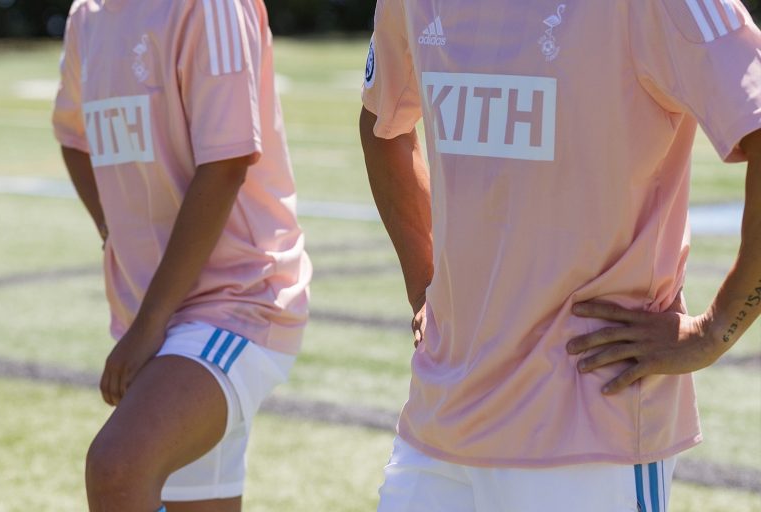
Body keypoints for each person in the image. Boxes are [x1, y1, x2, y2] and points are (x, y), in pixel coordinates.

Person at [360, 0, 761, 510]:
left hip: (592, 431)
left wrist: (716, 330)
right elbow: (382, 125)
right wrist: (425, 285)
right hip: (439, 420)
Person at [52, 0, 310, 510]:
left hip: (238, 301)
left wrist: (150, 323)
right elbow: (73, 135)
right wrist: (111, 230)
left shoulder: (211, 6)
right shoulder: (88, 15)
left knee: (118, 466)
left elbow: (227, 163)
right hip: (157, 317)